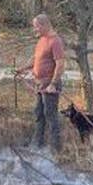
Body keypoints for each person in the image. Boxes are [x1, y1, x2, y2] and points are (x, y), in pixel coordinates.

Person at [16, 14, 66, 151]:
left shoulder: (55, 41)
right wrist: (22, 69)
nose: (35, 30)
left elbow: (60, 64)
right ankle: (37, 144)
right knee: (38, 113)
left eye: (36, 27)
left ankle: (56, 149)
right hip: (39, 84)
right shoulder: (42, 40)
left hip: (49, 84)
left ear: (44, 25)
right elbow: (36, 60)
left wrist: (53, 84)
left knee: (50, 115)